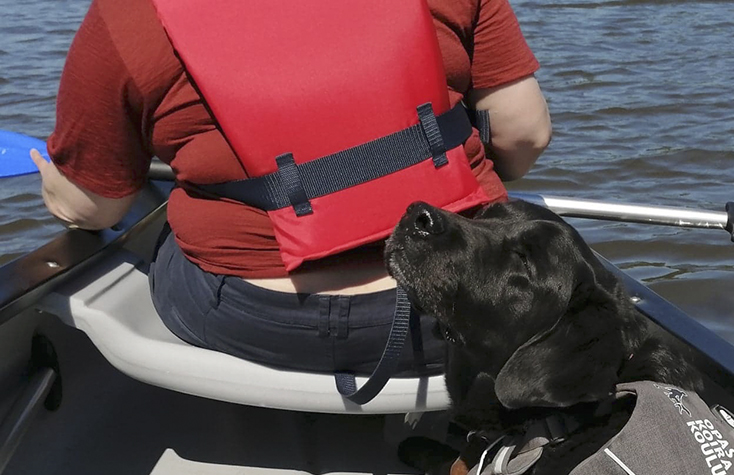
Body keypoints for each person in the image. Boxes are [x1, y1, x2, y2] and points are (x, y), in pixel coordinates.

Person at [33, 0, 551, 387]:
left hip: (263, 319)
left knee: (160, 223)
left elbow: (94, 206)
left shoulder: (127, 14)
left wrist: (56, 185)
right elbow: (523, 135)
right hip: (467, 308)